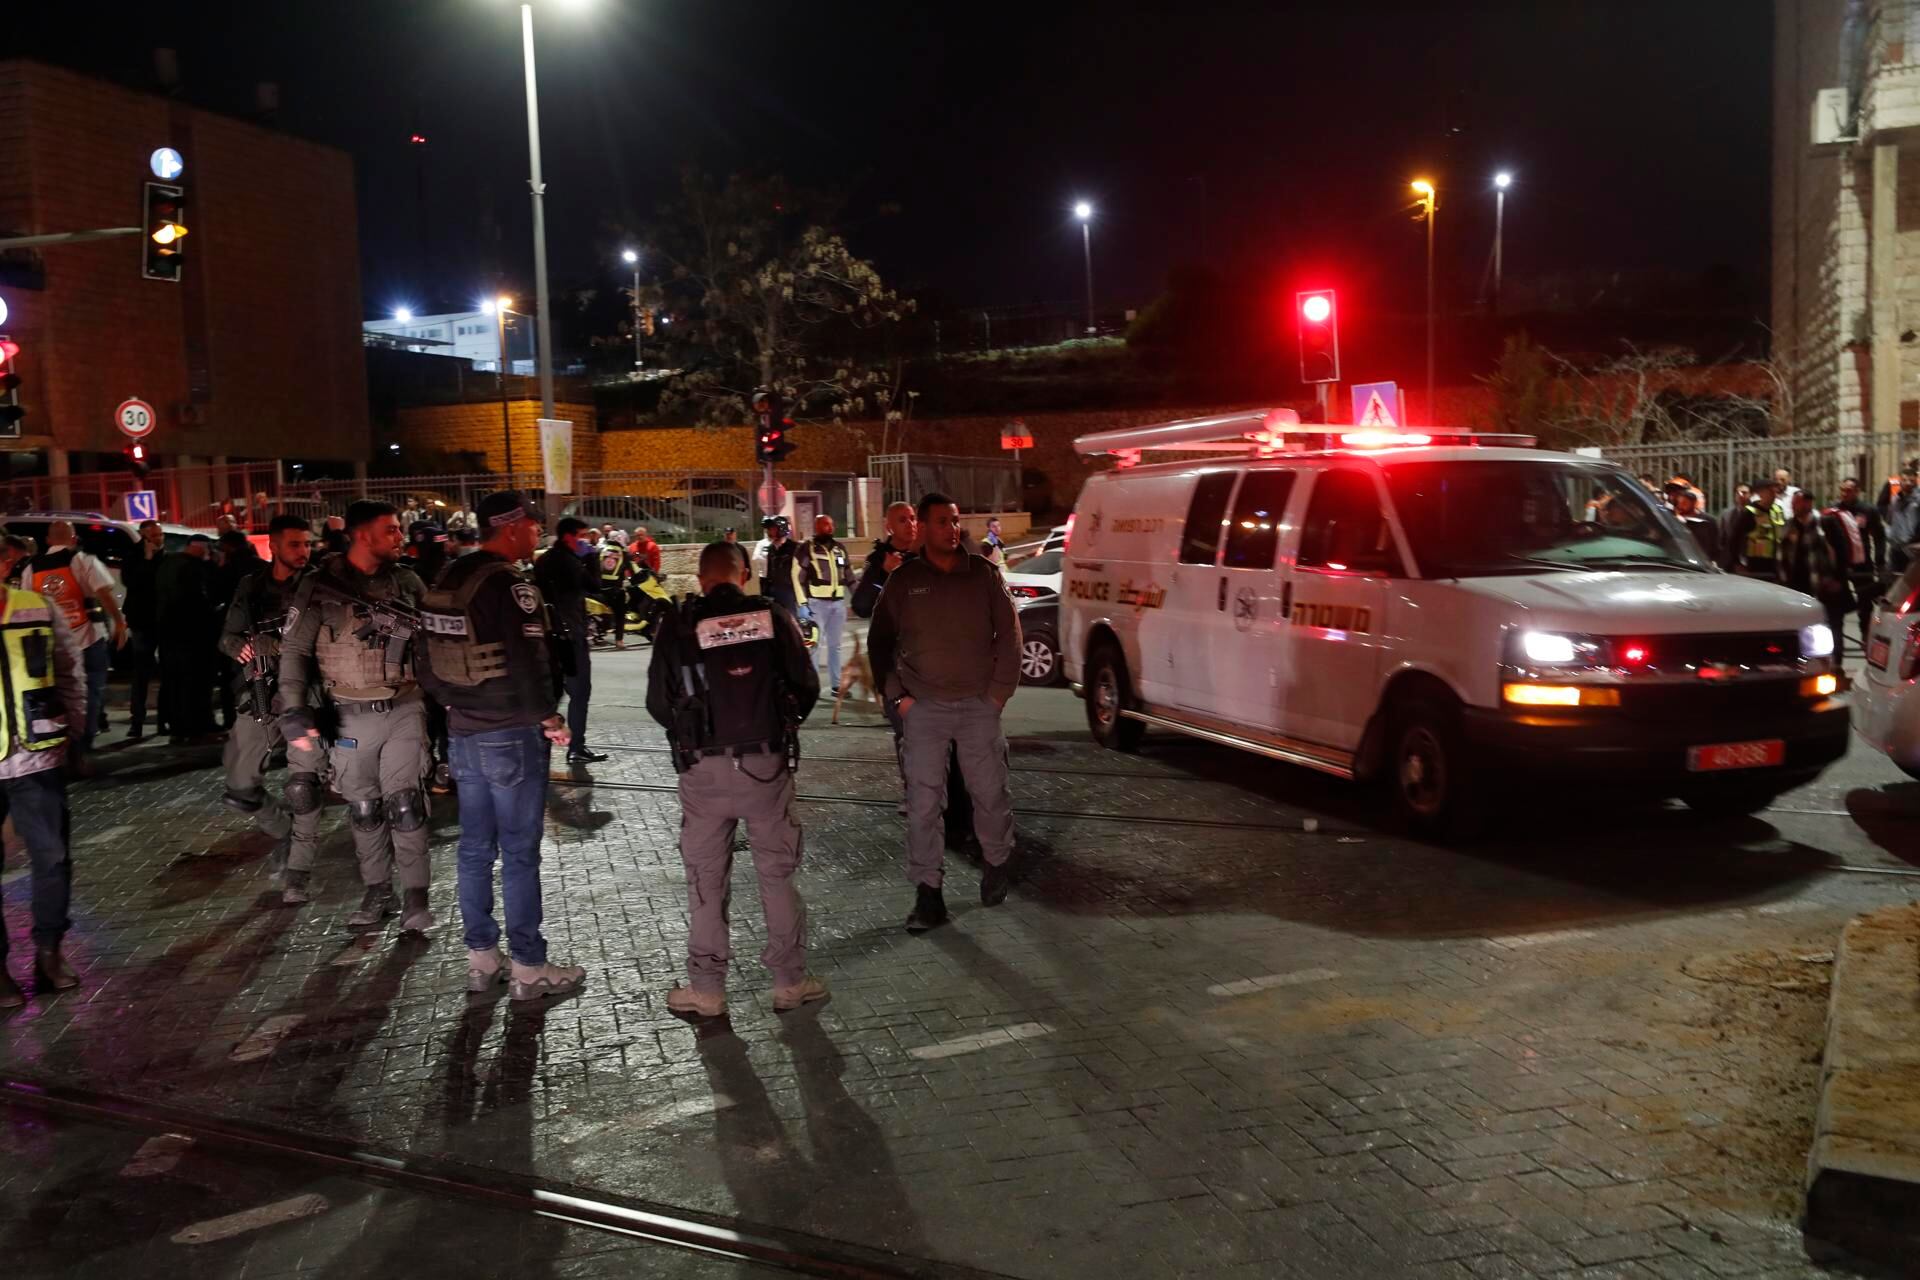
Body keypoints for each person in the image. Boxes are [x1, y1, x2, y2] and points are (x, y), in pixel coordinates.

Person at [647, 540, 825, 1017]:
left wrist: (692, 734)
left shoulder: (678, 625)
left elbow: (658, 703)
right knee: (777, 875)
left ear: (701, 578)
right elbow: (806, 686)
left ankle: (707, 990)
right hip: (765, 767)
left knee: (705, 881)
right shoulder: (771, 617)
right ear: (743, 573)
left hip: (702, 772)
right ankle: (789, 982)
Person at [419, 491, 586, 1001]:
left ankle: (481, 960)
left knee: (473, 850)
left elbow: (424, 659)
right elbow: (528, 659)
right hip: (511, 734)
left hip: (463, 732)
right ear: (511, 527)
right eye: (533, 525)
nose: (538, 532)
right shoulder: (510, 585)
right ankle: (530, 968)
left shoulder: (448, 579)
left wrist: (451, 708)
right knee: (518, 853)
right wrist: (550, 717)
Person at [278, 500, 434, 934]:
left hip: (404, 706)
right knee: (364, 807)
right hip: (346, 714)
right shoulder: (319, 586)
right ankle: (377, 889)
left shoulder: (406, 582)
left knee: (405, 804)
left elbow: (440, 638)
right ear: (362, 535)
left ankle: (416, 898)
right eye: (391, 530)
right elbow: (293, 652)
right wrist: (292, 709)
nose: (400, 537)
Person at [868, 493, 1021, 933]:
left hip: (978, 706)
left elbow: (1009, 637)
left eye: (955, 521)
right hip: (925, 709)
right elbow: (880, 642)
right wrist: (899, 698)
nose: (951, 529)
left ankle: (996, 861)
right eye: (941, 522)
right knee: (923, 805)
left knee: (990, 794)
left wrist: (997, 695)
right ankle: (928, 893)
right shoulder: (905, 581)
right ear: (925, 529)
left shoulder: (983, 575)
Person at [852, 500, 977, 844]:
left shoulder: (931, 554)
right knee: (908, 735)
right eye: (901, 520)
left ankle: (951, 808)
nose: (909, 525)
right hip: (898, 668)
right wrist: (884, 575)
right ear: (889, 526)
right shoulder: (880, 562)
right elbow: (862, 606)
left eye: (912, 519)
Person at [0, 536, 88, 1007]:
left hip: (37, 759)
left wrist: (74, 734)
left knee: (52, 859)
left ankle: (49, 952)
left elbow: (70, 671)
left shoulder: (35, 606)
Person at [218, 515, 321, 905]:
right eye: (295, 544)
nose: (304, 551)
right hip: (260, 692)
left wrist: (278, 647)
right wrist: (239, 648)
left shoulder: (318, 584)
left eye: (307, 544)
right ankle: (286, 832)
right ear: (273, 547)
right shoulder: (252, 585)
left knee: (305, 785)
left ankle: (298, 868)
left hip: (305, 698)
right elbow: (227, 634)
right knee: (240, 787)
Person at [25, 520, 126, 755]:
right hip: (88, 638)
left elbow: (30, 604)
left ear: (48, 541)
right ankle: (82, 747)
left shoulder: (32, 568)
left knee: (59, 695)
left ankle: (60, 746)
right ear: (73, 539)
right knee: (90, 694)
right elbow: (104, 592)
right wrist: (119, 623)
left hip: (54, 642)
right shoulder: (84, 560)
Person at [534, 517, 607, 765]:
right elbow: (595, 586)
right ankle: (576, 747)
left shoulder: (543, 561)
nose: (586, 540)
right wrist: (592, 557)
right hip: (571, 637)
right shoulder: (572, 563)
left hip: (547, 636)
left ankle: (539, 748)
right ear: (569, 537)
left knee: (549, 696)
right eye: (582, 536)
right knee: (579, 693)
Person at [157, 534, 221, 743]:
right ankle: (198, 729)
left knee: (175, 682)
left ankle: (178, 728)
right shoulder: (193, 568)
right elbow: (199, 600)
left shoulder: (166, 565)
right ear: (202, 548)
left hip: (169, 632)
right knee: (196, 682)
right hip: (194, 634)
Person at [1780, 490, 1849, 642]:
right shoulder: (1790, 525)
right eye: (1792, 503)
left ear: (1808, 503)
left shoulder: (1826, 523)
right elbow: (1782, 554)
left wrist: (1838, 579)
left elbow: (1842, 552)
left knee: (1832, 624)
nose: (1793, 506)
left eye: (1796, 503)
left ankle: (1835, 662)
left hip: (1825, 584)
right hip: (1798, 586)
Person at [213, 530, 264, 729]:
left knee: (230, 679)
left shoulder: (226, 569)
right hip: (258, 631)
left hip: (232, 631)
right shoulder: (261, 567)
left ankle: (231, 719)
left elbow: (214, 595)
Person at [122, 520, 167, 741]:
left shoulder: (167, 556)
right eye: (153, 536)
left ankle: (164, 720)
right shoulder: (133, 555)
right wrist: (147, 559)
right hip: (142, 621)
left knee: (167, 672)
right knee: (141, 673)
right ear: (143, 536)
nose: (159, 539)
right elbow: (132, 582)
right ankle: (137, 721)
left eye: (160, 534)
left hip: (163, 621)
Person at [1825, 481, 1882, 647]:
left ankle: (1865, 635)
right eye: (1842, 490)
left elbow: (1879, 536)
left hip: (1862, 563)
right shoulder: (1834, 511)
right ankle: (1837, 642)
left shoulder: (1868, 510)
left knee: (1866, 602)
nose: (1844, 493)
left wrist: (1880, 560)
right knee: (1838, 602)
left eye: (1848, 490)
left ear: (1857, 491)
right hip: (1841, 564)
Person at [798, 515, 851, 694]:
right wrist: (803, 604)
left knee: (835, 646)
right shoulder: (808, 549)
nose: (828, 528)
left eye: (830, 524)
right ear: (816, 527)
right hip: (816, 605)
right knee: (815, 645)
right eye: (824, 525)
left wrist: (860, 599)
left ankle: (836, 685)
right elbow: (799, 578)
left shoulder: (840, 549)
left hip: (838, 604)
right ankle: (813, 686)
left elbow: (849, 576)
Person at [1721, 479, 1783, 579]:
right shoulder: (1750, 513)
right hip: (1754, 567)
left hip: (1774, 565)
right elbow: (1734, 540)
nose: (1774, 494)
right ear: (1761, 493)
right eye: (1771, 491)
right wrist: (1737, 563)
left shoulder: (1777, 511)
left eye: (1775, 491)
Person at [753, 515, 805, 614]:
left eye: (772, 529)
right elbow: (769, 573)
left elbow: (803, 574)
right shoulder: (771, 549)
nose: (768, 532)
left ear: (781, 529)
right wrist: (766, 593)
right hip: (775, 593)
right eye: (768, 529)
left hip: (791, 594)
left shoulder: (796, 548)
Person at [596, 529, 635, 649]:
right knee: (620, 615)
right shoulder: (624, 553)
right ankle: (619, 641)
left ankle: (599, 634)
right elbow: (632, 570)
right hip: (615, 590)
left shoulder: (601, 550)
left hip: (599, 588)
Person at [1885, 460, 1920, 575]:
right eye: (1905, 480)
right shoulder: (1895, 499)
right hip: (1896, 546)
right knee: (1894, 578)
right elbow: (1890, 519)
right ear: (1900, 482)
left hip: (1913, 548)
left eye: (1911, 480)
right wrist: (1890, 534)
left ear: (1916, 482)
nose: (1908, 483)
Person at [1669, 488, 1721, 564]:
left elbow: (1716, 544)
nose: (1681, 506)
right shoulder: (1676, 520)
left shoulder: (1709, 521)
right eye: (1680, 503)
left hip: (1705, 562)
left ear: (1693, 503)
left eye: (1684, 503)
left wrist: (1714, 560)